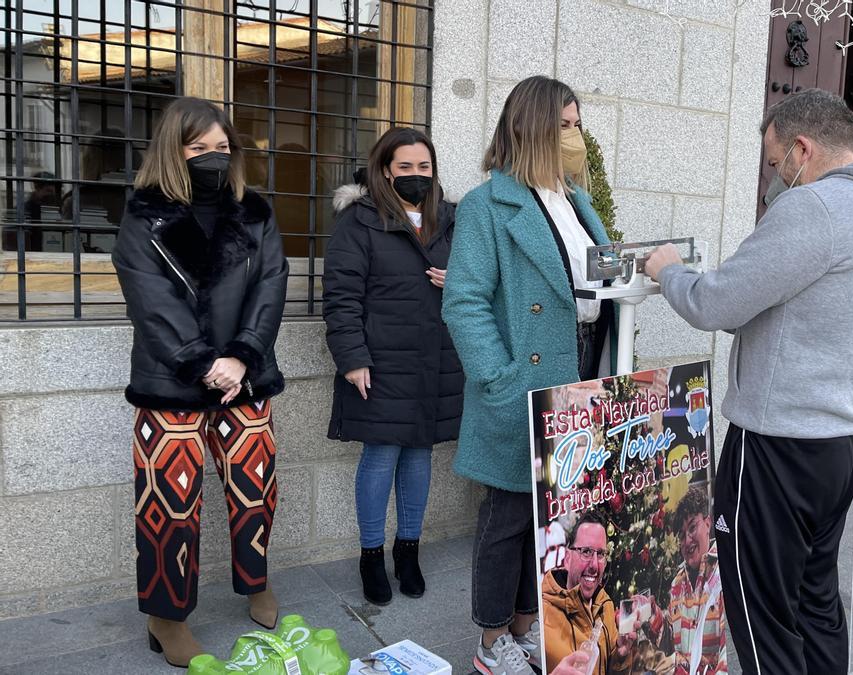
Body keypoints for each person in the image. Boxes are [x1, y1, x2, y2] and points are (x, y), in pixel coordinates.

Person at [645, 88, 853, 674]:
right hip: (844, 439)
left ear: (802, 148)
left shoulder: (815, 208)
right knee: (815, 600)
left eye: (775, 163)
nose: (774, 177)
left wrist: (670, 271)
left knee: (759, 610)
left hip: (780, 445)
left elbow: (717, 304)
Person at [443, 74, 617, 675]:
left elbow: (596, 279)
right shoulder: (487, 204)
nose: (575, 136)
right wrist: (499, 376)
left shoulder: (575, 199)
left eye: (578, 124)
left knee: (552, 515)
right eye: (564, 125)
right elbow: (463, 300)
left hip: (581, 374)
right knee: (508, 517)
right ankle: (493, 642)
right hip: (526, 381)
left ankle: (526, 626)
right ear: (534, 128)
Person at [111, 96, 288, 667]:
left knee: (255, 488)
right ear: (173, 149)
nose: (213, 157)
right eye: (198, 148)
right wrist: (203, 362)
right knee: (170, 504)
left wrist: (243, 355)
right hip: (173, 383)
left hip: (245, 378)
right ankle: (166, 619)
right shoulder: (143, 216)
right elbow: (150, 299)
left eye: (221, 147)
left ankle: (255, 581)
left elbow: (271, 286)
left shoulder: (253, 209)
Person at [323, 126, 464, 605]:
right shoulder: (360, 221)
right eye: (405, 167)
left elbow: (488, 281)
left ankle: (408, 551)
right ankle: (370, 555)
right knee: (381, 455)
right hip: (379, 361)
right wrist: (352, 358)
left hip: (434, 358)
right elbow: (341, 298)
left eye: (424, 167)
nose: (416, 175)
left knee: (420, 455)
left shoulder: (451, 220)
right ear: (385, 170)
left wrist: (460, 279)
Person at [541, 512, 633, 674]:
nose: (595, 565)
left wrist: (620, 657)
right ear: (567, 558)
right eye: (586, 552)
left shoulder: (606, 605)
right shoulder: (541, 614)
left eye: (601, 554)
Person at [664, 485, 726, 675]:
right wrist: (653, 618)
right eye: (682, 536)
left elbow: (729, 654)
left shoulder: (725, 573)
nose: (687, 541)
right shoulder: (676, 584)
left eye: (692, 527)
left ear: (708, 523)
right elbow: (672, 648)